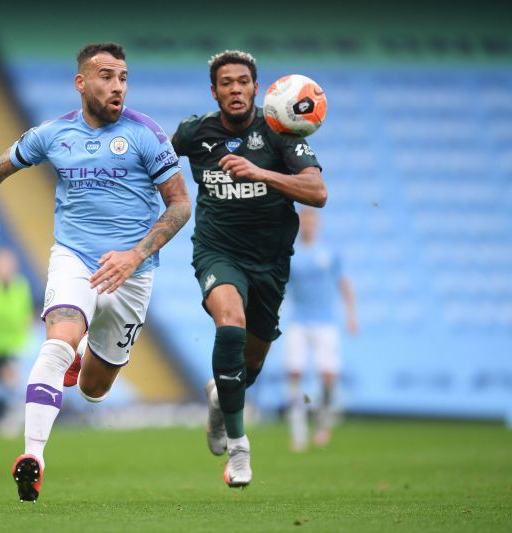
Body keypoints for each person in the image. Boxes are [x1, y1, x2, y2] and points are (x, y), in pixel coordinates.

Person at [0, 42, 191, 502]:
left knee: (93, 389)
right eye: (106, 76)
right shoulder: (53, 134)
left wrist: (133, 255)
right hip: (75, 258)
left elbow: (180, 204)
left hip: (132, 271)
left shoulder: (147, 135)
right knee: (56, 343)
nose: (117, 86)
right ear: (81, 82)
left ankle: (83, 351)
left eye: (123, 77)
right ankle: (34, 457)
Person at [171, 50, 327, 488]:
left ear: (257, 89)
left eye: (243, 82)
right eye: (226, 83)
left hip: (270, 263)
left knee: (251, 364)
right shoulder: (194, 133)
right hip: (216, 251)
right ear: (214, 90)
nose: (235, 89)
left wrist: (259, 174)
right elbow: (156, 162)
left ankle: (220, 398)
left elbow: (317, 192)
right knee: (230, 323)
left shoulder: (281, 131)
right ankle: (239, 448)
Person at [283, 208, 358, 451]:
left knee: (328, 377)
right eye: (304, 221)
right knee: (294, 373)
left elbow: (344, 283)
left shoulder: (330, 253)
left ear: (317, 224)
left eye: (312, 221)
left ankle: (322, 423)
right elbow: (281, 288)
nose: (308, 225)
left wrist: (351, 315)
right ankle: (298, 432)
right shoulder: (290, 254)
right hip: (299, 321)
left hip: (326, 322)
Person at [0, 247, 34, 433]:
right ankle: (12, 417)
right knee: (3, 388)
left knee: (13, 384)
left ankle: (15, 420)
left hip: (16, 344)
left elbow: (22, 314)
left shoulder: (21, 286)